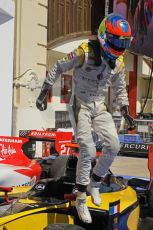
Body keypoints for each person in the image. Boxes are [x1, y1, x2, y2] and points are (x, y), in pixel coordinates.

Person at [36, 13, 136, 224]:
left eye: (123, 41)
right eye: (116, 40)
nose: (119, 45)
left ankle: (94, 184)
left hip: (99, 106)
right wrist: (44, 90)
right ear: (104, 35)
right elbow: (58, 66)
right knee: (88, 150)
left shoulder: (117, 62)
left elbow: (120, 88)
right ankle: (81, 196)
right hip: (80, 103)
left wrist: (126, 110)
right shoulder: (84, 51)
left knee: (114, 145)